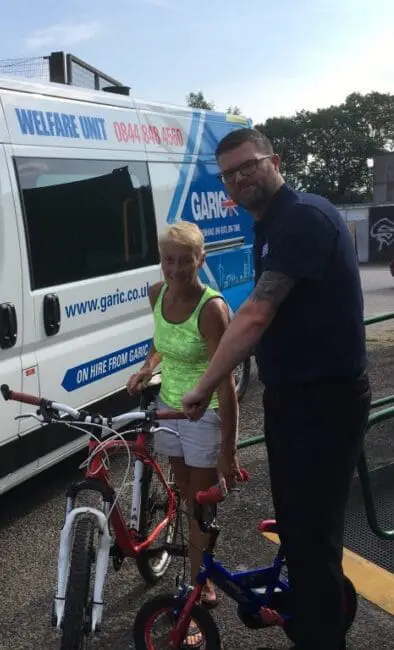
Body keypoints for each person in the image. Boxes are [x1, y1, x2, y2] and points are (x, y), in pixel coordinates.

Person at [180, 128, 371, 650]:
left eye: (249, 165)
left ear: (275, 161)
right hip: (294, 401)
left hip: (324, 403)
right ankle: (312, 621)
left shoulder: (302, 217)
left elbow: (256, 314)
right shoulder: (270, 226)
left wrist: (203, 386)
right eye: (231, 174)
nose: (241, 178)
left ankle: (321, 637)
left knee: (313, 541)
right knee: (299, 529)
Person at [126, 220, 241, 613]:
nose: (174, 270)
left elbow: (225, 382)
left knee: (198, 501)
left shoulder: (212, 309)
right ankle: (195, 560)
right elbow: (160, 343)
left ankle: (199, 585)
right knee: (183, 490)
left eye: (184, 262)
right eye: (167, 260)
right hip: (168, 408)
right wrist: (147, 367)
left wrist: (229, 448)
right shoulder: (157, 293)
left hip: (204, 412)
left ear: (200, 259)